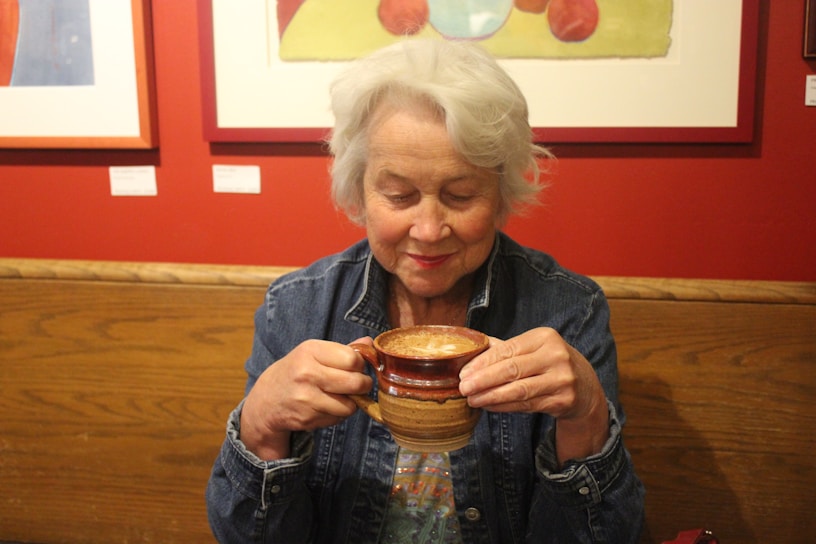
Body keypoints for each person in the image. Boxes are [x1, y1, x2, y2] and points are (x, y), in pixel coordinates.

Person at [206, 38, 644, 543]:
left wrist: (587, 419)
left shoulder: (566, 311)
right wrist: (260, 430)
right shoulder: (298, 308)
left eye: (460, 195)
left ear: (502, 193)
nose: (429, 230)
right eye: (400, 196)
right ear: (359, 191)